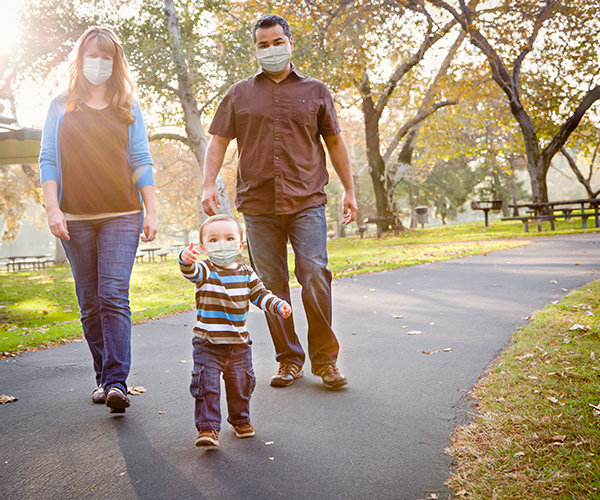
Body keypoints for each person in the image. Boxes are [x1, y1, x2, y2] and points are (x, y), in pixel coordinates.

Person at [202, 14, 357, 390]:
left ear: (289, 43)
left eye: (276, 42)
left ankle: (326, 361)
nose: (270, 49)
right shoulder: (239, 93)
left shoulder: (317, 90)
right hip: (257, 206)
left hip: (307, 200)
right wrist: (208, 183)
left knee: (315, 276)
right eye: (262, 44)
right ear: (255, 48)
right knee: (271, 286)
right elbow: (219, 141)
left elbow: (335, 142)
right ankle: (288, 359)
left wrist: (350, 190)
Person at [38, 26, 157, 414]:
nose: (100, 63)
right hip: (74, 217)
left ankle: (117, 381)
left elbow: (140, 160)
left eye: (107, 57)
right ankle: (103, 377)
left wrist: (151, 209)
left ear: (116, 62)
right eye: (93, 55)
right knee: (90, 302)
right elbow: (48, 160)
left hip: (122, 214)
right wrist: (53, 208)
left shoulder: (128, 107)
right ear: (80, 58)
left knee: (111, 294)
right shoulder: (60, 106)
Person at [179, 214, 291, 447]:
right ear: (203, 247)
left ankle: (240, 419)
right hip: (207, 343)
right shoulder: (206, 269)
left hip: (238, 344)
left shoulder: (246, 273)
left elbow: (260, 295)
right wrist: (185, 259)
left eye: (229, 238)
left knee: (240, 385)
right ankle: (208, 428)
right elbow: (190, 272)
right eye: (214, 240)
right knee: (206, 386)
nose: (222, 244)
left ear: (240, 244)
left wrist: (278, 304)